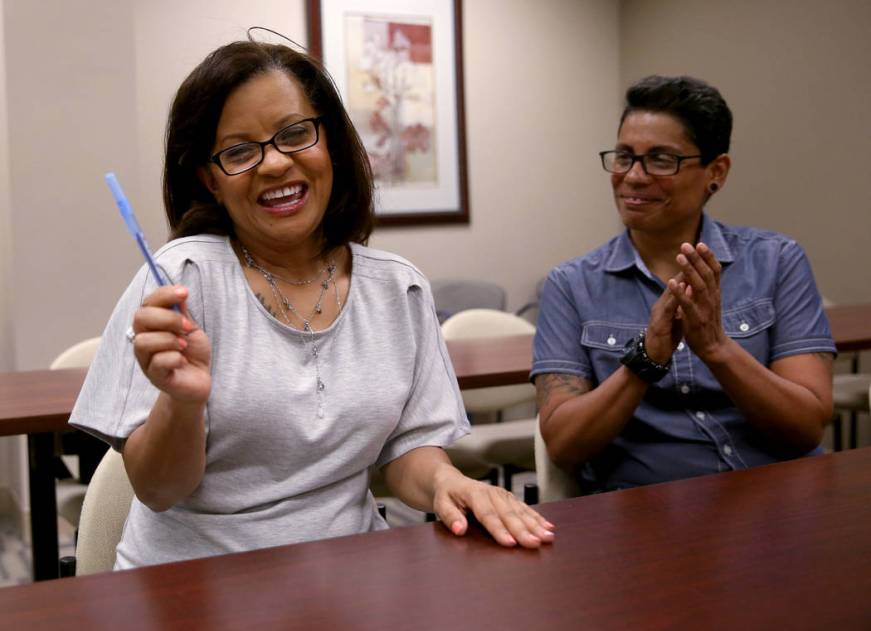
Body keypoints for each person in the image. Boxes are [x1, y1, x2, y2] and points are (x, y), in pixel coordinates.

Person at [71, 38, 553, 569]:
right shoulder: (183, 280)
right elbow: (159, 489)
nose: (275, 163)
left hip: (350, 585)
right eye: (239, 151)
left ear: (331, 144)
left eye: (296, 134)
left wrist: (448, 482)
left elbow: (407, 450)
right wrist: (182, 403)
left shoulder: (397, 288)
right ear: (210, 180)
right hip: (196, 592)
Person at [532, 75, 835, 492]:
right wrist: (646, 360)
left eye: (661, 159)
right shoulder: (571, 285)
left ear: (717, 171)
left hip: (776, 494)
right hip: (649, 512)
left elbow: (806, 427)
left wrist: (717, 349)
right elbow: (564, 446)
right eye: (624, 156)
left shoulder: (777, 261)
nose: (633, 177)